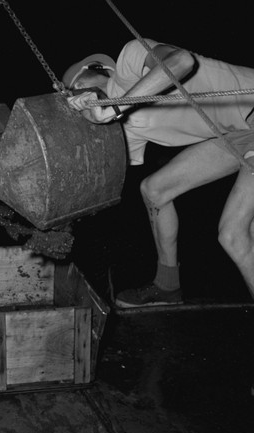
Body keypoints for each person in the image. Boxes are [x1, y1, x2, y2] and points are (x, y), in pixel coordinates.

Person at [63, 38, 254, 307]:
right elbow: (99, 171)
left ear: (99, 69)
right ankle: (167, 286)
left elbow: (182, 61)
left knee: (234, 234)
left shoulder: (130, 58)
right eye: (73, 93)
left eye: (78, 84)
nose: (77, 91)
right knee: (154, 190)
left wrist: (115, 106)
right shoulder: (124, 128)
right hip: (240, 134)